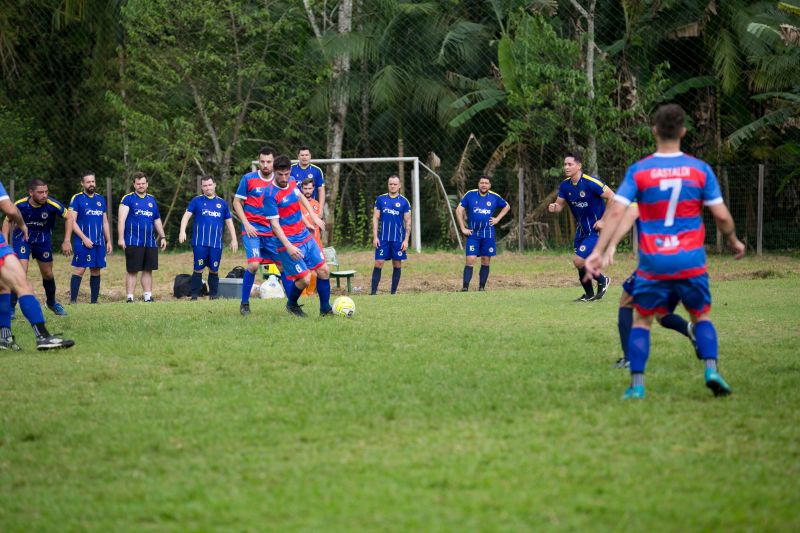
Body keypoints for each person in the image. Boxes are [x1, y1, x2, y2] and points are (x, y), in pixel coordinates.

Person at [585, 103, 745, 400]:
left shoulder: (640, 170)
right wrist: (733, 240)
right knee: (701, 317)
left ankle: (637, 386)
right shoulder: (700, 170)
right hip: (691, 261)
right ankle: (711, 370)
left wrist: (600, 250)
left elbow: (618, 210)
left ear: (654, 131)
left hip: (654, 262)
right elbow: (722, 216)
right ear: (683, 132)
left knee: (642, 320)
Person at [603, 203, 699, 369]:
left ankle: (629, 358)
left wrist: (611, 244)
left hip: (655, 261)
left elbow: (632, 212)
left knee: (626, 302)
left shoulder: (644, 196)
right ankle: (690, 329)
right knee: (662, 314)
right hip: (680, 261)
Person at [0, 179, 74, 350]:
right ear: (31, 192)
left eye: (46, 192)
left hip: (42, 241)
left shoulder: (52, 205)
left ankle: (51, 302)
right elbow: (8, 215)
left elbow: (69, 217)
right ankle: (39, 333)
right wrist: (6, 240)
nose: (44, 195)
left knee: (46, 274)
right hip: (23, 239)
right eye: (40, 192)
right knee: (20, 276)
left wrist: (67, 240)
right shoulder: (20, 204)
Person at [264, 155, 329, 317]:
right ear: (274, 172)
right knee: (305, 279)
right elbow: (275, 225)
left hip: (304, 235)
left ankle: (325, 310)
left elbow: (300, 197)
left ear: (290, 172)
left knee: (324, 270)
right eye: (280, 175)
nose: (284, 178)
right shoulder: (270, 195)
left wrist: (313, 218)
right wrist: (289, 246)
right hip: (288, 242)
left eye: (286, 174)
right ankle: (292, 304)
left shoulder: (292, 181)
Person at [548, 152, 615, 302]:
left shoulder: (591, 182)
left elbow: (612, 197)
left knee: (578, 260)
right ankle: (589, 295)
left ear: (579, 166)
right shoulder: (565, 185)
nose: (566, 167)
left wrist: (603, 220)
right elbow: (559, 205)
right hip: (581, 230)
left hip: (595, 230)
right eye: (565, 164)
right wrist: (554, 207)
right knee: (580, 264)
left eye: (570, 164)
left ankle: (602, 279)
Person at [233, 146, 289, 315]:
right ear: (258, 161)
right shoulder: (248, 179)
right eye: (262, 161)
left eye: (269, 162)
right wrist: (246, 224)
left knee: (283, 265)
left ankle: (292, 304)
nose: (265, 165)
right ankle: (244, 304)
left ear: (274, 162)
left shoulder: (280, 181)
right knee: (254, 264)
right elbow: (236, 202)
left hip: (272, 232)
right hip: (253, 230)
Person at [179, 175, 238, 300]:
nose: (208, 188)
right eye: (205, 186)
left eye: (210, 185)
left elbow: (229, 221)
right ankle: (194, 296)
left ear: (214, 185)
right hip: (200, 243)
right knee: (198, 269)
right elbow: (186, 216)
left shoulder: (222, 203)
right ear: (202, 187)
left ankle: (213, 295)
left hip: (216, 244)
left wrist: (234, 239)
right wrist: (182, 231)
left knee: (214, 270)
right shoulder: (196, 201)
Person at [118, 172, 167, 302]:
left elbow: (156, 219)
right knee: (132, 270)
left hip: (150, 242)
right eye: (138, 183)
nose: (141, 186)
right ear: (134, 184)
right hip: (133, 241)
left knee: (148, 269)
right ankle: (130, 298)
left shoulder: (152, 199)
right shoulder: (128, 199)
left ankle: (147, 296)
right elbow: (121, 219)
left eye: (143, 183)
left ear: (147, 184)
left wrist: (162, 236)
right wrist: (121, 238)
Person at [64, 172, 112, 304]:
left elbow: (105, 222)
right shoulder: (77, 198)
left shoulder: (100, 199)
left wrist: (108, 240)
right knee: (80, 269)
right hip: (82, 241)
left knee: (96, 270)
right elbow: (71, 221)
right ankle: (73, 301)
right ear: (82, 183)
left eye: (93, 181)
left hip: (99, 241)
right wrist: (84, 238)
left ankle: (94, 302)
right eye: (88, 182)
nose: (91, 184)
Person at [455, 176, 510, 291]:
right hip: (473, 234)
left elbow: (507, 206)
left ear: (489, 185)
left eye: (486, 183)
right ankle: (465, 287)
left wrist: (497, 219)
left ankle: (481, 287)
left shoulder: (494, 197)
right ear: (478, 184)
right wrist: (463, 228)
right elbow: (459, 210)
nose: (484, 185)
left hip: (488, 234)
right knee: (470, 259)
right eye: (482, 183)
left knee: (485, 260)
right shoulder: (470, 194)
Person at [371, 175, 411, 295]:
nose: (392, 186)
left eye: (395, 184)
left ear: (399, 185)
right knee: (378, 262)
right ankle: (373, 293)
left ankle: (393, 292)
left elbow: (408, 222)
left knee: (397, 264)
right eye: (390, 184)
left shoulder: (404, 201)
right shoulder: (380, 199)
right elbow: (375, 218)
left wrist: (406, 240)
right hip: (383, 238)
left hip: (398, 239)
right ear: (388, 185)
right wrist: (375, 237)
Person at [299, 177, 323, 296]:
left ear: (313, 189)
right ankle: (302, 294)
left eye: (310, 188)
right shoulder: (297, 203)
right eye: (305, 188)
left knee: (316, 270)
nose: (307, 191)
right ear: (301, 189)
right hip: (301, 242)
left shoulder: (316, 204)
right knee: (303, 271)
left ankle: (311, 293)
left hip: (316, 242)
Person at [290, 146, 325, 215]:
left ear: (310, 156)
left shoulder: (317, 170)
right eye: (302, 155)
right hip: (295, 207)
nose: (304, 157)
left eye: (306, 155)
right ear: (298, 156)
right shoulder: (291, 169)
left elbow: (321, 191)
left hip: (312, 207)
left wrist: (321, 209)